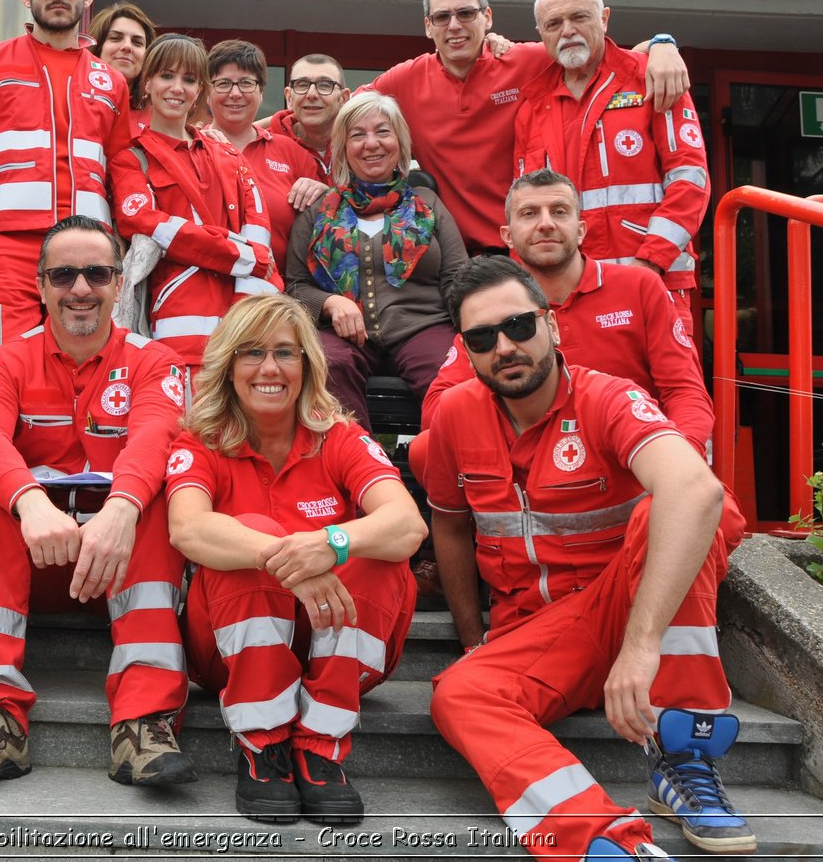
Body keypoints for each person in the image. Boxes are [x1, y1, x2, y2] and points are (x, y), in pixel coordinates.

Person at [424, 256, 753, 861]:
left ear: (552, 326)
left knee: (682, 510)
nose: (505, 346)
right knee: (458, 693)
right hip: (539, 631)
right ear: (465, 351)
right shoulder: (453, 415)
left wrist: (641, 644)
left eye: (520, 325)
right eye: (482, 337)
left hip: (628, 604)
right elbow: (448, 523)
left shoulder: (608, 397)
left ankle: (683, 755)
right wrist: (472, 640)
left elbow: (698, 491)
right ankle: (601, 841)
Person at [0, 216, 194, 797]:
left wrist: (122, 508)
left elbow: (158, 436)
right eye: (64, 274)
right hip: (35, 555)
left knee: (155, 505)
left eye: (96, 273)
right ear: (40, 285)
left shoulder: (157, 359)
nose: (80, 288)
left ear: (120, 284)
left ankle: (143, 721)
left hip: (120, 558)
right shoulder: (8, 359)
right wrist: (28, 501)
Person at [166, 293, 425, 823]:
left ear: (307, 365)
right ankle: (262, 743)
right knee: (252, 533)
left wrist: (329, 545)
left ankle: (321, 747)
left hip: (344, 653)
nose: (269, 368)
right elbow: (187, 528)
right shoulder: (202, 442)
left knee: (375, 549)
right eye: (251, 353)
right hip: (232, 653)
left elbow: (408, 524)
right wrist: (278, 556)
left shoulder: (339, 437)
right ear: (228, 366)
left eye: (285, 353)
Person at [368, 0, 690, 255]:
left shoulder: (528, 62)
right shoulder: (405, 80)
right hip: (457, 255)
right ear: (428, 26)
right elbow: (346, 115)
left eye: (466, 13)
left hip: (529, 249)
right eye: (442, 17)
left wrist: (662, 45)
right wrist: (317, 178)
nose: (454, 25)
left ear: (488, 17)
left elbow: (601, 56)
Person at [414, 169, 712, 467]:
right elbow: (437, 409)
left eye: (559, 211)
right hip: (525, 463)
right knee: (426, 448)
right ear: (508, 236)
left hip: (628, 456)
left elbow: (685, 392)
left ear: (581, 229)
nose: (545, 224)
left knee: (716, 505)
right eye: (529, 214)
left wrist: (677, 463)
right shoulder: (493, 304)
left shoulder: (640, 287)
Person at [0, 0, 133, 381]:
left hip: (88, 255)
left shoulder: (112, 81)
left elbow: (122, 171)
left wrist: (119, 250)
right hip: (7, 249)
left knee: (84, 374)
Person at [514, 0, 709, 328]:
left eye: (580, 18)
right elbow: (524, 208)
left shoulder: (652, 76)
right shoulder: (531, 106)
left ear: (604, 19)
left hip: (652, 284)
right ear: (540, 33)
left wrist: (649, 264)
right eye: (554, 24)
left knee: (664, 384)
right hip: (564, 295)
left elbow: (690, 180)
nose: (568, 31)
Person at [285, 91, 466, 432]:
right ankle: (360, 470)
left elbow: (457, 276)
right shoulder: (318, 211)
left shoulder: (427, 204)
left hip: (424, 327)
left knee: (451, 377)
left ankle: (449, 474)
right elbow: (294, 287)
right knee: (328, 365)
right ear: (342, 147)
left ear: (400, 143)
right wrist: (331, 303)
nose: (372, 144)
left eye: (383, 132)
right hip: (343, 337)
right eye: (358, 135)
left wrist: (473, 334)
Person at [109, 34, 280, 381]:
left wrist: (245, 307)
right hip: (177, 315)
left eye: (189, 79)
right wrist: (235, 252)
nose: (177, 88)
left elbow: (259, 229)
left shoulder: (228, 153)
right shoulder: (132, 158)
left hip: (245, 313)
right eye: (166, 76)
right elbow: (141, 220)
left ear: (200, 89)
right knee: (181, 426)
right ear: (148, 83)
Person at [205, 39, 327, 269]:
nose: (235, 93)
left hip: (275, 294)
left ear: (261, 93)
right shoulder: (188, 148)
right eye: (223, 84)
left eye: (246, 83)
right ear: (206, 92)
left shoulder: (293, 154)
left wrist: (323, 194)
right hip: (203, 293)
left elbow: (325, 225)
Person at [262, 54, 348, 172]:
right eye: (302, 85)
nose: (311, 94)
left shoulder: (362, 145)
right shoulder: (261, 148)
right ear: (289, 98)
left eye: (324, 85)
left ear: (344, 98)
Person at [90, 0, 157, 102]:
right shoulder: (73, 102)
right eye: (115, 38)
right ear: (98, 46)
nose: (127, 46)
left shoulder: (156, 114)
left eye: (137, 42)